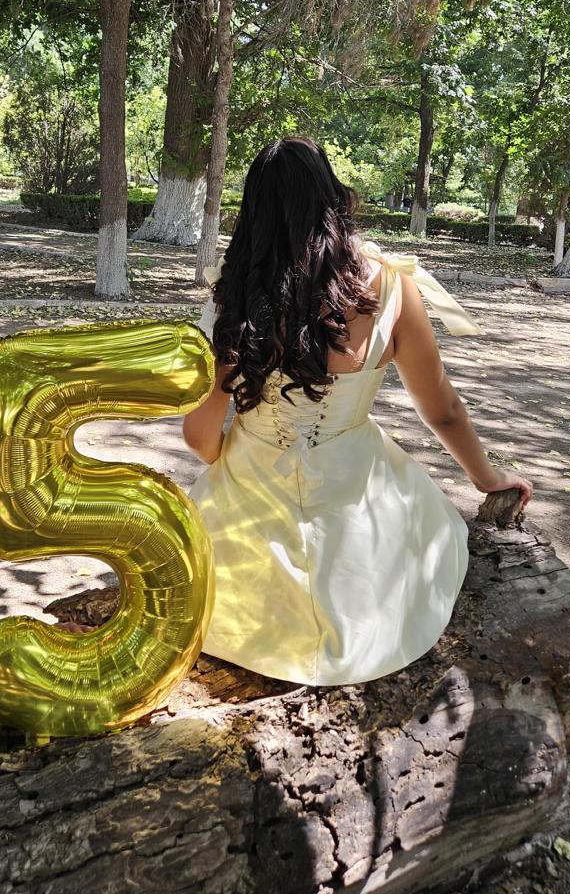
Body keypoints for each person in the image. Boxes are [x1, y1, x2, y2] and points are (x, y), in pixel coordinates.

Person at [182, 136, 532, 686]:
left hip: (249, 489)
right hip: (359, 494)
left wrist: (236, 461)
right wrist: (489, 479)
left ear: (253, 212)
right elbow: (442, 410)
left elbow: (199, 433)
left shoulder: (234, 296)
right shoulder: (391, 287)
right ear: (332, 196)